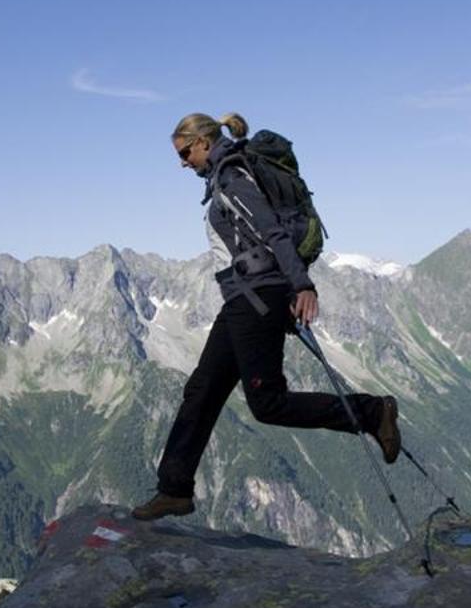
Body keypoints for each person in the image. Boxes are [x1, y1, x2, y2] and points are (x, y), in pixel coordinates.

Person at [132, 113, 401, 521]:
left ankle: (372, 412)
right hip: (243, 298)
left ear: (204, 141)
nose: (183, 162)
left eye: (185, 152)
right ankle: (174, 489)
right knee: (201, 390)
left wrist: (302, 284)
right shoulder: (222, 178)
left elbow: (272, 231)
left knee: (268, 404)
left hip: (259, 299)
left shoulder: (232, 178)